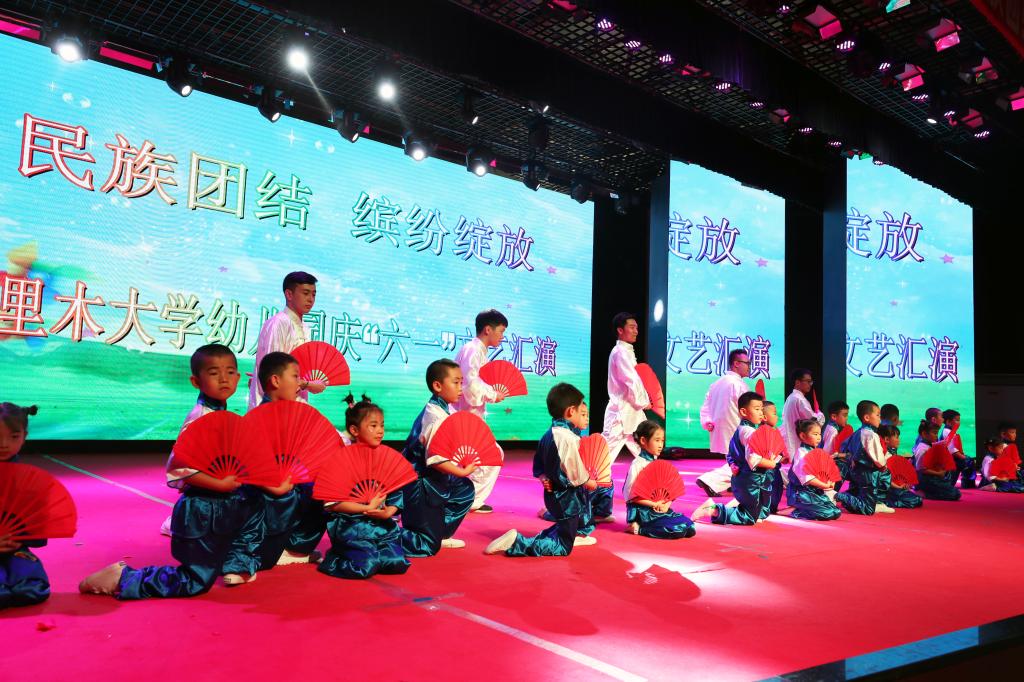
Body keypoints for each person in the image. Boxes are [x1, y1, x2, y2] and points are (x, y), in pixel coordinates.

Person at [79, 345, 265, 598]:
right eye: (214, 373)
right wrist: (220, 484)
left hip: (225, 503)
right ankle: (123, 578)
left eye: (230, 372)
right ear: (195, 381)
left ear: (238, 377)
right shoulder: (199, 418)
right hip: (201, 509)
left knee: (257, 501)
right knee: (195, 581)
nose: (224, 379)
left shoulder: (223, 414)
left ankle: (234, 562)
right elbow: (178, 469)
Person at [485, 383, 599, 556]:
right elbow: (575, 473)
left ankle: (573, 533)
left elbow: (538, 464)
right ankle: (518, 543)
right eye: (581, 412)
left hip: (553, 495)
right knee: (563, 547)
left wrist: (544, 477)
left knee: (569, 524)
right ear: (571, 411)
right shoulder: (567, 438)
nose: (585, 416)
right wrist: (589, 482)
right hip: (566, 499)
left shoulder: (548, 434)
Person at [319, 396, 411, 579]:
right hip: (352, 527)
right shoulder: (342, 461)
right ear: (354, 430)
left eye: (382, 425)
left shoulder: (385, 458)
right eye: (373, 426)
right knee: (365, 567)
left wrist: (389, 511)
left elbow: (396, 490)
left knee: (397, 563)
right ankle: (335, 557)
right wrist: (366, 507)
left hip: (380, 526)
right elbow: (332, 504)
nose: (380, 431)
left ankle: (370, 553)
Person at [252, 352, 323, 570]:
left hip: (289, 483)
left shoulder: (290, 413)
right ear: (275, 380)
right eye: (295, 376)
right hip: (267, 491)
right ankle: (283, 548)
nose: (300, 383)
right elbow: (249, 466)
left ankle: (294, 546)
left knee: (324, 487)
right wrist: (276, 486)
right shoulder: (260, 417)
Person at [399, 359, 476, 556]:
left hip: (433, 478)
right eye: (456, 382)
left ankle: (439, 533)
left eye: (461, 382)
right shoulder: (435, 416)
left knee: (464, 490)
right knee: (425, 547)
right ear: (437, 386)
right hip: (419, 482)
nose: (460, 388)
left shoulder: (443, 408)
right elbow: (435, 460)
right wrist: (462, 471)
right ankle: (379, 535)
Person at [691, 392, 779, 526]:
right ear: (743, 411)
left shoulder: (743, 429)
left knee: (759, 512)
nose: (761, 413)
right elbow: (753, 460)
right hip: (751, 480)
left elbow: (731, 453)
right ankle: (713, 509)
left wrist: (732, 464)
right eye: (757, 409)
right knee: (749, 517)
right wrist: (772, 463)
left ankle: (742, 507)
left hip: (749, 478)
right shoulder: (749, 432)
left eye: (761, 409)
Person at [453, 309, 508, 514]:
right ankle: (471, 499)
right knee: (492, 454)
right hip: (465, 416)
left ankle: (467, 497)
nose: (502, 336)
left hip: (470, 415)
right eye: (501, 331)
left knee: (485, 456)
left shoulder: (477, 350)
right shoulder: (473, 350)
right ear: (487, 329)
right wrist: (493, 394)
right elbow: (470, 385)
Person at [599, 312, 651, 523]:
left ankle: (643, 494)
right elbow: (630, 381)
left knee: (646, 452)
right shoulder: (620, 352)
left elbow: (634, 381)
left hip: (632, 411)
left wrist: (642, 402)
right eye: (632, 327)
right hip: (621, 412)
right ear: (620, 330)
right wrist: (644, 401)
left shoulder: (626, 351)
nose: (636, 330)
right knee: (603, 459)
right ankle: (593, 504)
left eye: (637, 327)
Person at [248, 271, 326, 409]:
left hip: (295, 403)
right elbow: (273, 372)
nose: (310, 299)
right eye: (305, 293)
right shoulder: (278, 323)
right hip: (273, 406)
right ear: (289, 294)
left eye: (314, 294)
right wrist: (307, 384)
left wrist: (309, 384)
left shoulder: (306, 328)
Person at [0, 403, 51, 609]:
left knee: (31, 587)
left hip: (13, 549)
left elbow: (38, 535)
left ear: (24, 436)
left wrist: (19, 538)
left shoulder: (27, 481)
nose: (4, 444)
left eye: (14, 436)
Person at [623, 421, 696, 539]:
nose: (661, 445)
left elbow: (669, 491)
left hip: (660, 509)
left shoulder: (657, 463)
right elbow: (631, 496)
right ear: (643, 441)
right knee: (675, 530)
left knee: (689, 527)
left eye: (662, 441)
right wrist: (654, 504)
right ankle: (639, 528)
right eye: (657, 440)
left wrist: (667, 504)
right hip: (645, 513)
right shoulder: (637, 464)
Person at [695, 349, 751, 497]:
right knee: (742, 462)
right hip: (735, 427)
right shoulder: (738, 384)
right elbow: (749, 408)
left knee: (735, 460)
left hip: (721, 428)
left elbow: (706, 405)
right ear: (736, 364)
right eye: (747, 363)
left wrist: (707, 421)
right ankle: (709, 480)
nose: (749, 367)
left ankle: (733, 483)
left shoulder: (716, 383)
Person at [833, 400, 893, 515]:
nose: (880, 419)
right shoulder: (871, 434)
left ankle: (851, 499)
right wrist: (883, 466)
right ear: (867, 417)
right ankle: (838, 496)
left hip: (856, 472)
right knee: (868, 508)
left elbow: (845, 448)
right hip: (867, 473)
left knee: (860, 494)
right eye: (877, 415)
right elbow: (878, 459)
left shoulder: (857, 433)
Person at [786, 419, 842, 521]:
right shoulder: (801, 453)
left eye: (820, 434)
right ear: (803, 436)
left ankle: (804, 508)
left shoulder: (817, 452)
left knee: (836, 512)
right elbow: (806, 479)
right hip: (801, 493)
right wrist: (824, 485)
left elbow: (827, 471)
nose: (819, 437)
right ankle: (797, 510)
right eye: (815, 434)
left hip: (815, 492)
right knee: (827, 513)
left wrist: (830, 481)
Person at [779, 368, 824, 459]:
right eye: (807, 381)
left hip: (789, 440)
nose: (810, 384)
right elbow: (813, 421)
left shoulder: (791, 397)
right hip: (797, 441)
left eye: (811, 382)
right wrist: (820, 415)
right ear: (797, 382)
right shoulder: (799, 399)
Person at [879, 425, 922, 509]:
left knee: (916, 499)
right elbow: (883, 478)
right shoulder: (883, 456)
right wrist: (897, 486)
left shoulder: (892, 453)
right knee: (916, 500)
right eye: (896, 437)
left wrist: (904, 484)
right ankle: (886, 502)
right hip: (886, 489)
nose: (899, 440)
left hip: (894, 488)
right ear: (887, 439)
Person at [940, 409, 976, 489]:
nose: (959, 423)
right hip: (949, 460)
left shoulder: (950, 431)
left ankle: (967, 483)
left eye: (959, 420)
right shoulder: (947, 432)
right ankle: (967, 484)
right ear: (948, 422)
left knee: (968, 461)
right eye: (957, 420)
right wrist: (964, 457)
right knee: (969, 461)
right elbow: (953, 451)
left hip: (952, 459)